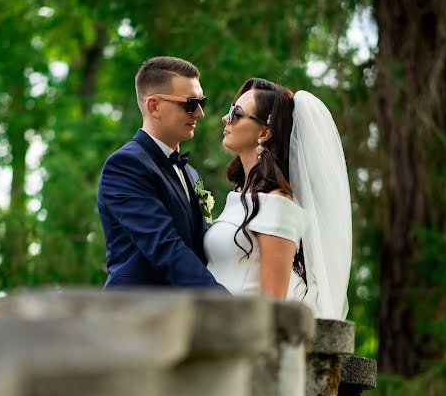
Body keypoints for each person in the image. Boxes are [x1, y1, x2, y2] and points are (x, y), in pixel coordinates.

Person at [204, 78, 352, 318]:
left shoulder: (278, 203)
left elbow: (273, 304)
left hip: (239, 339)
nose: (225, 118)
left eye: (236, 113)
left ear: (264, 132)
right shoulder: (241, 196)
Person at [97, 56, 226, 289]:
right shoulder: (125, 165)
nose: (199, 113)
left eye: (202, 102)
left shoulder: (191, 173)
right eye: (190, 103)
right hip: (135, 315)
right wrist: (225, 302)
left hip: (183, 316)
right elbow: (165, 247)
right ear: (154, 106)